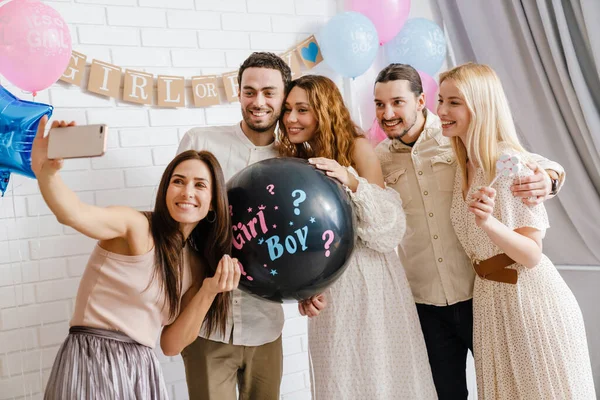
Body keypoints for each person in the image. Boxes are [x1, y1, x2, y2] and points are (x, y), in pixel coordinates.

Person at [373, 63, 566, 399]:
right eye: (379, 104)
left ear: (420, 101)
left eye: (397, 102)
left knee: (510, 388)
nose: (387, 112)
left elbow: (522, 158)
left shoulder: (455, 136)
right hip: (425, 301)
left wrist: (550, 177)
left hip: (481, 294)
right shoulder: (379, 159)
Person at [33, 117, 240, 400]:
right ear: (166, 190)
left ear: (214, 201)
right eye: (178, 181)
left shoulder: (196, 265)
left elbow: (171, 344)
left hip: (142, 370)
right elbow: (74, 213)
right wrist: (47, 172)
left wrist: (209, 291)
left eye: (200, 185)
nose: (187, 192)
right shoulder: (135, 225)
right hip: (93, 359)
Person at [438, 62, 596, 399]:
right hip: (490, 302)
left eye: (454, 102)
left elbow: (531, 254)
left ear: (480, 106)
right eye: (441, 100)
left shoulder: (511, 165)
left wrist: (489, 223)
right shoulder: (461, 163)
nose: (442, 110)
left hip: (530, 300)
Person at [279, 74, 437, 399]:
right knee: (339, 378)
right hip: (329, 291)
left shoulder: (358, 147)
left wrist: (350, 181)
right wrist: (304, 290)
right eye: (287, 109)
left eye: (302, 109)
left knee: (381, 375)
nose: (291, 118)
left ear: (323, 111)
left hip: (371, 283)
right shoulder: (293, 160)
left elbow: (388, 231)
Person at [177, 52, 291, 400]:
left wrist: (313, 288)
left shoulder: (295, 161)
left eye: (269, 92)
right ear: (238, 92)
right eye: (249, 91)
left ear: (285, 97)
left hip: (266, 327)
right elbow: (174, 225)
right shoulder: (201, 142)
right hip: (207, 326)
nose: (258, 102)